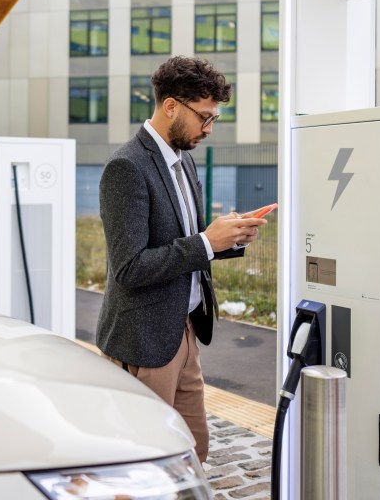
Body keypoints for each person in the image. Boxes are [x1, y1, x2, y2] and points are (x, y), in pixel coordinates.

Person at [96, 55, 267, 463]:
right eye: (204, 117)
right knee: (147, 458)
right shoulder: (126, 167)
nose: (208, 129)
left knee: (193, 450)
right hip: (144, 340)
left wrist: (228, 236)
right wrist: (207, 243)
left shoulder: (183, 159)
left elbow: (185, 241)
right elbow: (130, 268)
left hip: (185, 329)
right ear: (171, 106)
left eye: (214, 119)